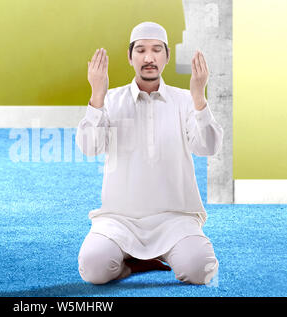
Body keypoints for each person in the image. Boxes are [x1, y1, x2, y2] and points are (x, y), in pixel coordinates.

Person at [76, 22, 223, 285]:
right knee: (94, 269)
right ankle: (132, 265)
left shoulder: (184, 101)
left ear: (166, 56)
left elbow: (208, 147)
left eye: (156, 50)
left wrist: (199, 97)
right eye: (141, 50)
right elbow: (89, 148)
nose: (148, 57)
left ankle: (166, 252)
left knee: (202, 270)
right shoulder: (110, 100)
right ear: (130, 57)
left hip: (175, 218)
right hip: (119, 219)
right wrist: (96, 94)